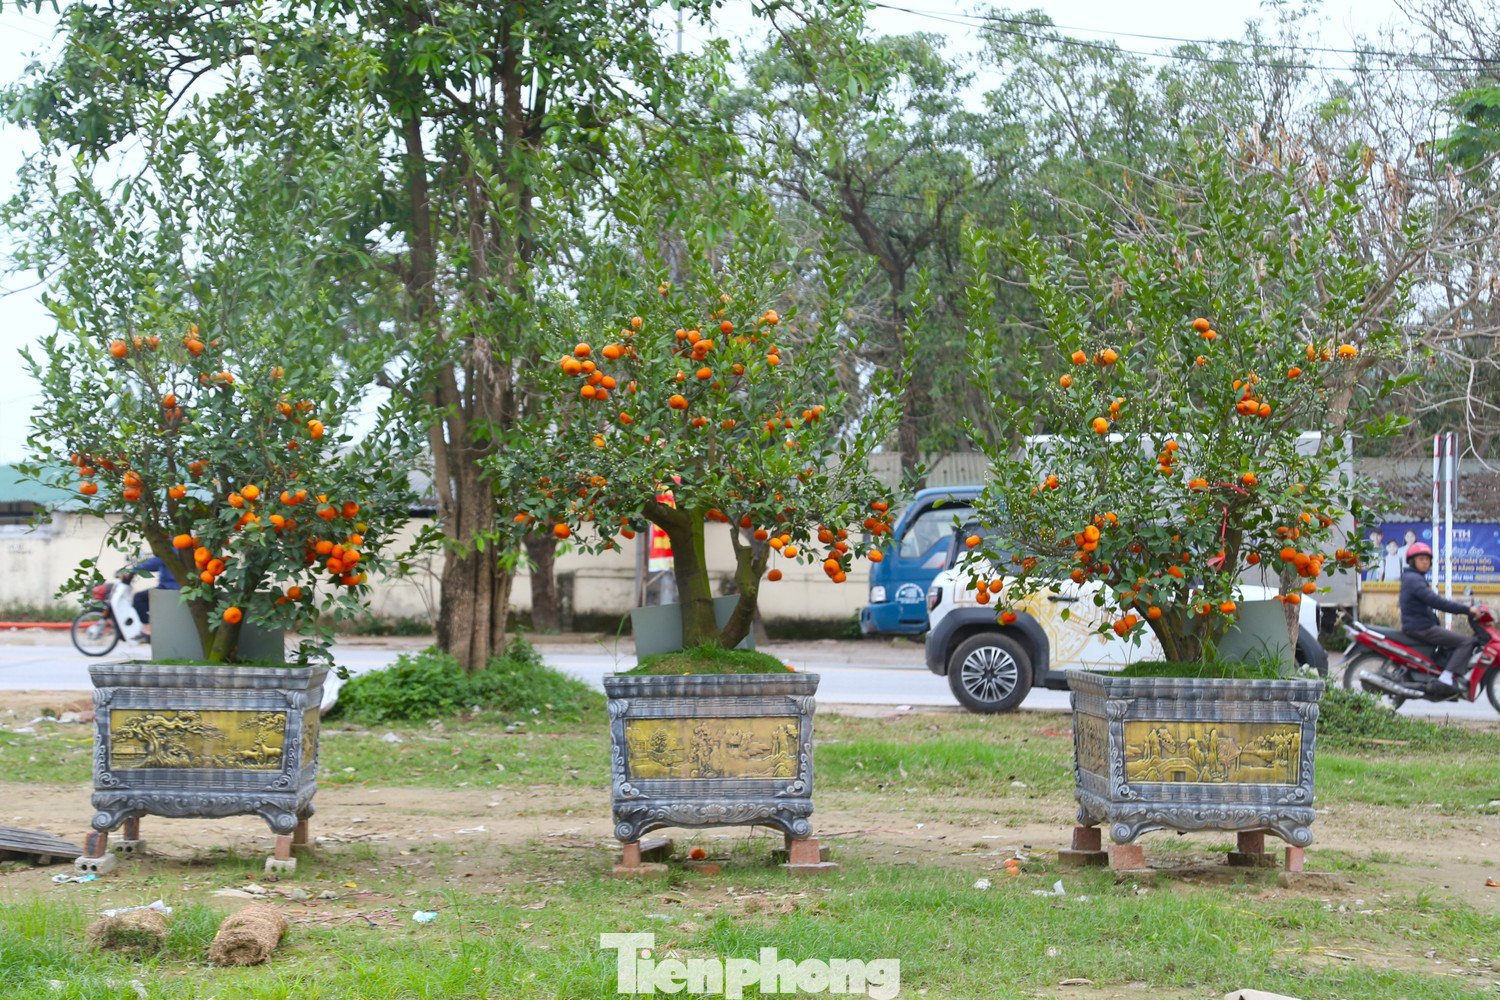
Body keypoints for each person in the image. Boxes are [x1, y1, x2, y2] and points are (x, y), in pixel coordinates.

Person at [1398, 542, 1476, 691]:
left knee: (1450, 643)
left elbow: (1434, 600)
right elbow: (1436, 602)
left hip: (1419, 625)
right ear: (1412, 561)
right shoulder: (1415, 580)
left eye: (1427, 559)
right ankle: (1446, 678)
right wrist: (1467, 610)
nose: (1425, 562)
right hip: (1421, 627)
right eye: (1421, 559)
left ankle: (1445, 673)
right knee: (1466, 642)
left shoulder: (1413, 578)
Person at [129, 553, 180, 638]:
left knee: (139, 598)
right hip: (174, 587)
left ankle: (148, 630)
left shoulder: (168, 547)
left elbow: (154, 563)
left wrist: (133, 569)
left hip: (169, 588)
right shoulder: (182, 547)